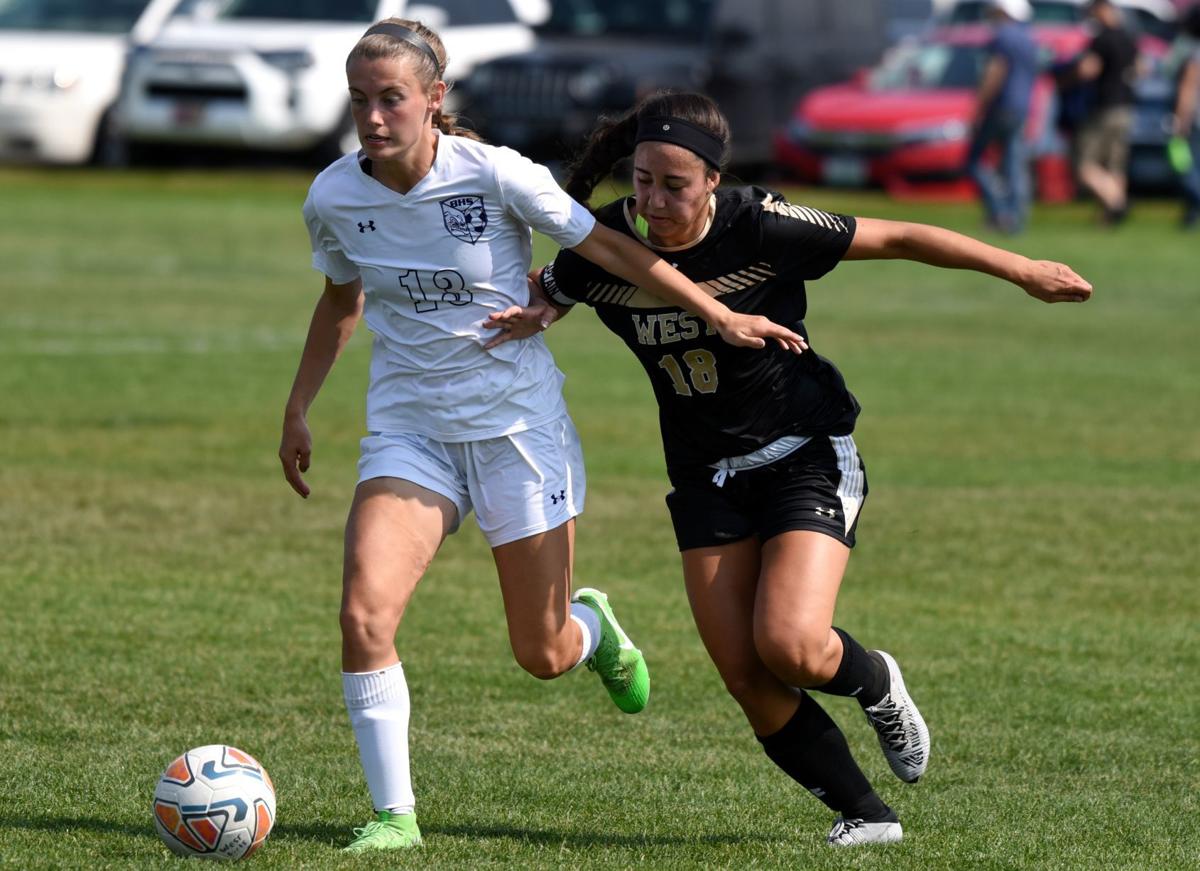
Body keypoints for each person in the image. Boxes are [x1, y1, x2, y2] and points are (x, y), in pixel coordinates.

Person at [486, 91, 1092, 847]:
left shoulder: (760, 225)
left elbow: (902, 234)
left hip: (803, 450)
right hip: (705, 475)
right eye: (642, 181)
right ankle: (867, 815)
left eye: (675, 186)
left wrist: (1022, 268)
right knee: (746, 674)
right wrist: (539, 309)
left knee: (792, 646)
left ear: (713, 181)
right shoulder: (604, 243)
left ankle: (876, 681)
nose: (654, 202)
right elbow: (556, 287)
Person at [279, 22, 804, 854]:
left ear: (434, 99)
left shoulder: (494, 174)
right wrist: (299, 406)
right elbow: (342, 299)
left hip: (516, 432)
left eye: (391, 99)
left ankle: (591, 625)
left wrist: (717, 312)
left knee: (543, 652)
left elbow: (610, 248)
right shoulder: (335, 195)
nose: (373, 118)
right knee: (363, 614)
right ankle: (394, 817)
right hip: (410, 431)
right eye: (359, 100)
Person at [965, 0, 1039, 234]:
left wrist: (979, 106)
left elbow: (995, 71)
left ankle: (999, 211)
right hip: (1021, 108)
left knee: (974, 160)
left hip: (1001, 107)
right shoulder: (1028, 38)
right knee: (1014, 164)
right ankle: (1015, 216)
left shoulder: (1002, 37)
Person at [1071, 0, 1141, 224]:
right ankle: (1109, 216)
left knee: (1084, 166)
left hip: (1104, 108)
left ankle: (1118, 203)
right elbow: (1141, 68)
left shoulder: (1101, 39)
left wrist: (1067, 74)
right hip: (1126, 107)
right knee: (1115, 165)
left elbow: (1088, 70)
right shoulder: (1129, 37)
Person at [1163, 4, 1200, 228]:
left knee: (1187, 167)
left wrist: (1180, 120)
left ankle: (1195, 205)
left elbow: (1188, 89)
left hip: (1196, 121)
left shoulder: (1194, 54)